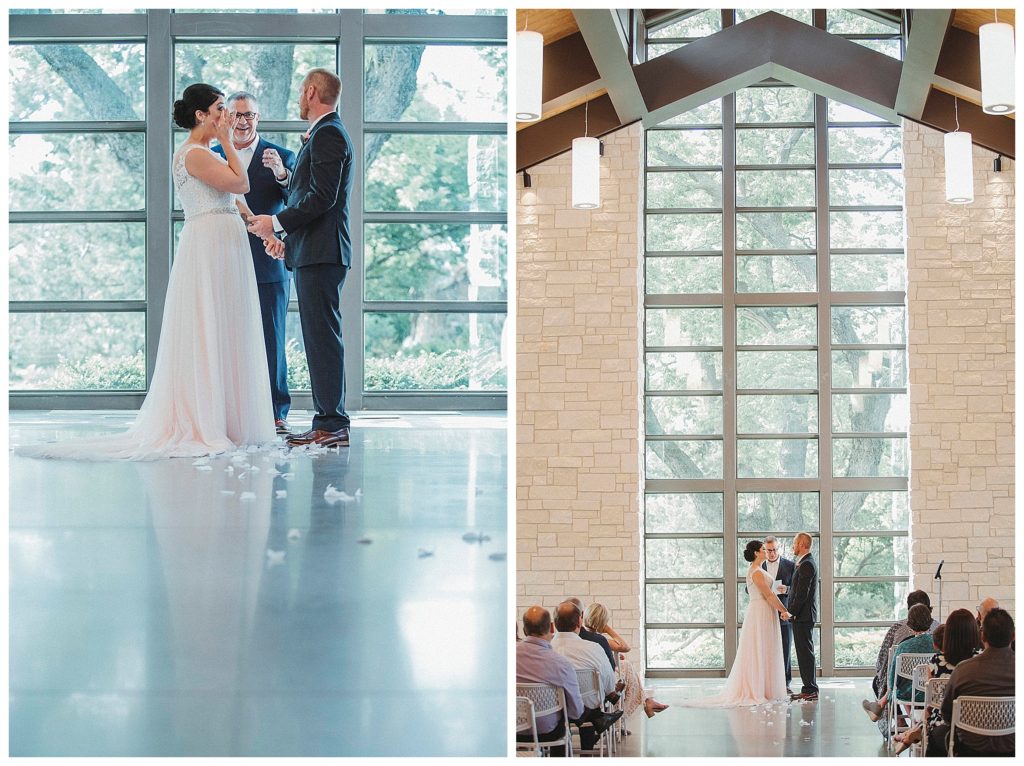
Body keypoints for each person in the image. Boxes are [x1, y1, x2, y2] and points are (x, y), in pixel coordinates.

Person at [19, 84, 276, 460]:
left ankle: (230, 420)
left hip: (227, 243)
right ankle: (202, 421)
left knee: (227, 326)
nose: (229, 116)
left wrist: (261, 225)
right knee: (206, 326)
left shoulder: (209, 153)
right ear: (201, 115)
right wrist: (229, 144)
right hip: (207, 245)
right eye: (221, 109)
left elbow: (237, 200)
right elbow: (242, 182)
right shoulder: (193, 154)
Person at [247, 68, 353, 449]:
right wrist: (288, 242)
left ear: (311, 92)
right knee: (318, 338)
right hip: (313, 251)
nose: (298, 97)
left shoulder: (328, 134)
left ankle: (332, 422)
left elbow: (321, 199)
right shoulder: (324, 134)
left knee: (323, 339)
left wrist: (274, 221)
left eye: (300, 90)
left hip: (324, 254)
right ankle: (328, 420)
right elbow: (305, 192)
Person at [213, 92, 296, 435]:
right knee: (226, 337)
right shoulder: (212, 156)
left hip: (269, 261)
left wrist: (280, 174)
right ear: (226, 118)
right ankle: (229, 413)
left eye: (249, 115)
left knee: (271, 339)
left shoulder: (284, 156)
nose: (243, 121)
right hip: (224, 259)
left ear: (259, 117)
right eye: (236, 115)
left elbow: (298, 203)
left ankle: (276, 412)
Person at [683, 540, 792, 707]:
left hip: (764, 611)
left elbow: (770, 593)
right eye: (763, 549)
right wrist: (784, 610)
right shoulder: (756, 572)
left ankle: (766, 689)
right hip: (760, 612)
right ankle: (755, 689)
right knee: (758, 648)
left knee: (765, 649)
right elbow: (769, 595)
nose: (766, 551)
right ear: (756, 553)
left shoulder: (757, 570)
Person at [892, 609, 980, 756]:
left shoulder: (936, 662)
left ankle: (913, 732)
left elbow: (931, 703)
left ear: (949, 635)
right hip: (976, 723)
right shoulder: (979, 661)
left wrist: (924, 721)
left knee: (930, 718)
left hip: (944, 724)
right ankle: (912, 733)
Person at [935, 608, 1015, 756]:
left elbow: (947, 713)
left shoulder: (963, 670)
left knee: (936, 735)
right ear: (1014, 636)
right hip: (1014, 747)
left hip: (970, 747)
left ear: (983, 636)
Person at [516, 606, 585, 757]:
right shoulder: (561, 664)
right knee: (562, 720)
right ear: (552, 627)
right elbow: (576, 711)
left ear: (524, 629)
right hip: (547, 732)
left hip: (513, 729)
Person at [584, 602, 669, 719]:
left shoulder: (579, 637)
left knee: (625, 667)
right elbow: (625, 647)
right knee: (626, 667)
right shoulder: (600, 639)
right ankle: (628, 713)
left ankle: (647, 702)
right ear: (603, 621)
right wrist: (607, 628)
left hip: (585, 683)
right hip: (601, 683)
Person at [861, 603, 934, 723]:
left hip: (908, 694)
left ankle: (883, 708)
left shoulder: (903, 647)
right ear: (930, 622)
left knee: (897, 683)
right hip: (931, 693)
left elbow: (892, 680)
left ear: (909, 624)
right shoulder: (937, 645)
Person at [787, 532, 818, 700]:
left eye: (795, 543)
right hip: (803, 616)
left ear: (802, 545)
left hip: (803, 617)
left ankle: (810, 689)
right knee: (804, 653)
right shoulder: (804, 563)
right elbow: (798, 590)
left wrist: (790, 612)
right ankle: (809, 688)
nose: (793, 546)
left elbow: (802, 595)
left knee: (805, 654)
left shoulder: (807, 564)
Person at [762, 535, 795, 690]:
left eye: (775, 549)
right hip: (765, 613)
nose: (772, 553)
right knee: (765, 649)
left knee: (785, 649)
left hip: (784, 614)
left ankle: (785, 683)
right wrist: (764, 591)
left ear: (779, 548)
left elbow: (798, 589)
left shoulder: (790, 565)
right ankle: (767, 683)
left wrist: (787, 589)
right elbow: (749, 588)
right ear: (764, 550)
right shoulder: (759, 566)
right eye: (769, 550)